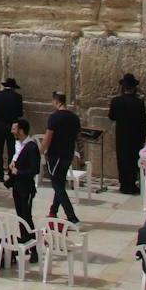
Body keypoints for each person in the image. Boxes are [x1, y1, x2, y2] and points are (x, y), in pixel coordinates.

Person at [43, 91, 82, 224]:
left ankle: (72, 217)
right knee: (59, 182)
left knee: (57, 185)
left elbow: (48, 138)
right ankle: (53, 211)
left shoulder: (54, 117)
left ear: (56, 101)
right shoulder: (74, 117)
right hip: (68, 154)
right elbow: (78, 138)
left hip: (56, 155)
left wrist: (38, 152)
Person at [108, 74, 146, 195]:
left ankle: (124, 184)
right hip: (135, 136)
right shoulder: (139, 103)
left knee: (122, 159)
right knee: (133, 160)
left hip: (121, 135)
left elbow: (111, 116)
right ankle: (131, 185)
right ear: (134, 88)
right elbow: (143, 121)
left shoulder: (116, 101)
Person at [10, 118, 41, 258]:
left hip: (26, 187)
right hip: (17, 186)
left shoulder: (32, 147)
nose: (12, 131)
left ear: (21, 130)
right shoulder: (18, 144)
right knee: (20, 216)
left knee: (27, 217)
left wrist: (19, 172)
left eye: (14, 129)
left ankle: (35, 249)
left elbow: (34, 169)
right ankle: (24, 241)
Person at [0, 78, 23, 184]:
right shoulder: (18, 97)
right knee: (12, 151)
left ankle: (0, 174)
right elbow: (20, 113)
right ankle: (10, 173)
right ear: (13, 87)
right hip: (12, 128)